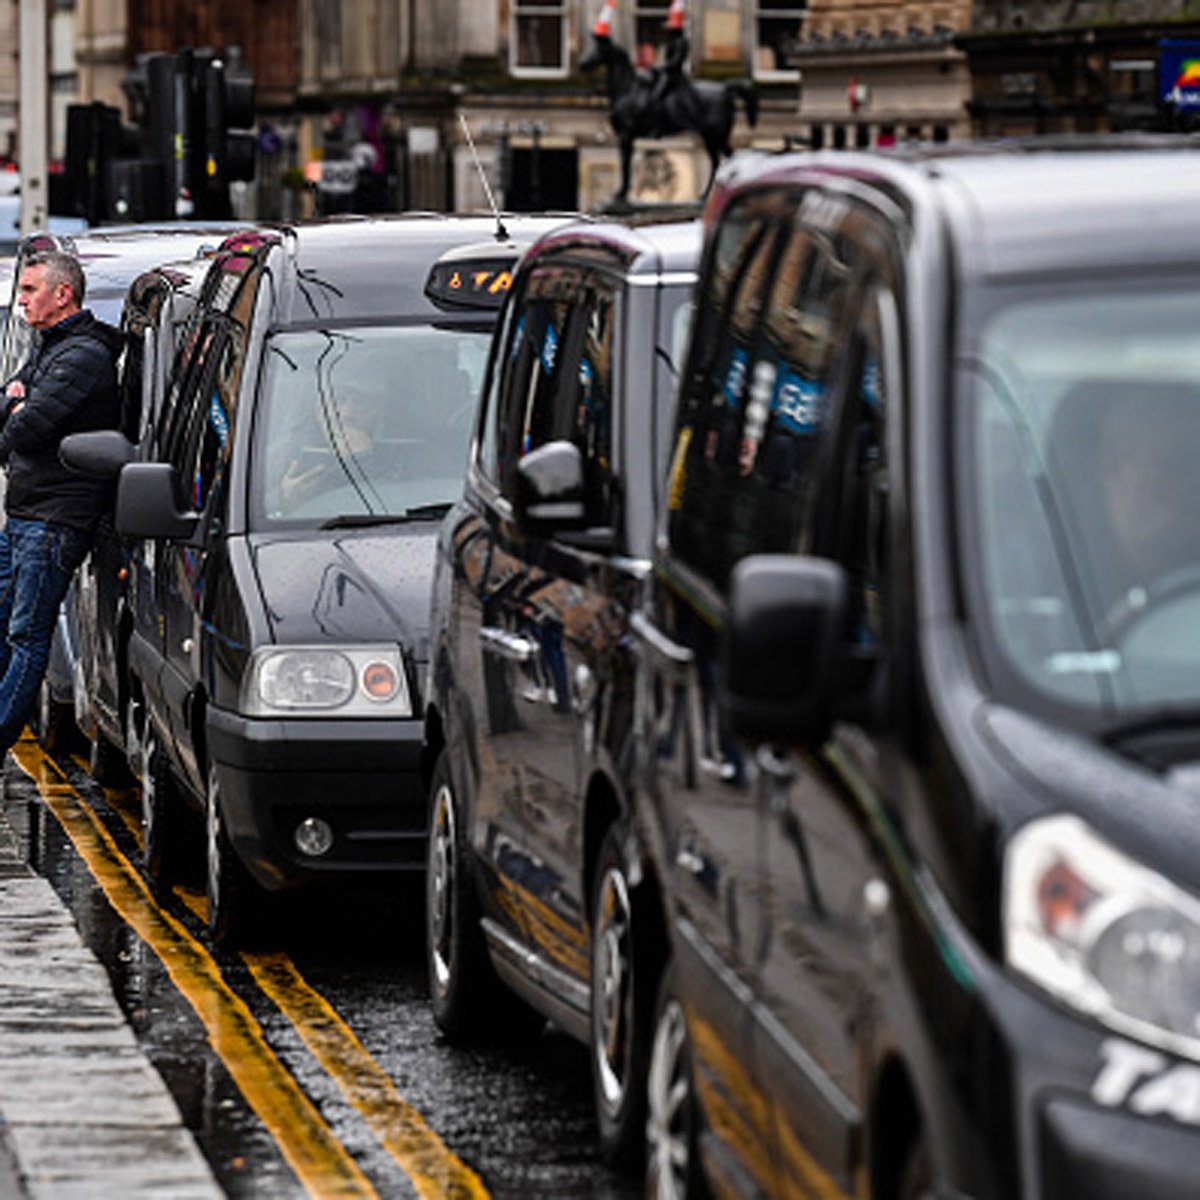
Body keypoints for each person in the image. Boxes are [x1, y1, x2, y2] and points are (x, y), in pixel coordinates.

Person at [0, 248, 121, 754]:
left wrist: (17, 405)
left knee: (28, 636)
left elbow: (23, 431)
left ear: (62, 294)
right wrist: (14, 401)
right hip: (25, 513)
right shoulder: (50, 345)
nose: (21, 302)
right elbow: (10, 403)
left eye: (29, 291)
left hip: (54, 518)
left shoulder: (83, 355)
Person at [279, 384, 386, 509]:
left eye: (359, 402)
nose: (346, 414)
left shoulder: (405, 458)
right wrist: (289, 501)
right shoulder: (283, 451)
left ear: (379, 410)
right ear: (319, 410)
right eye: (338, 400)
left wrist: (363, 460)